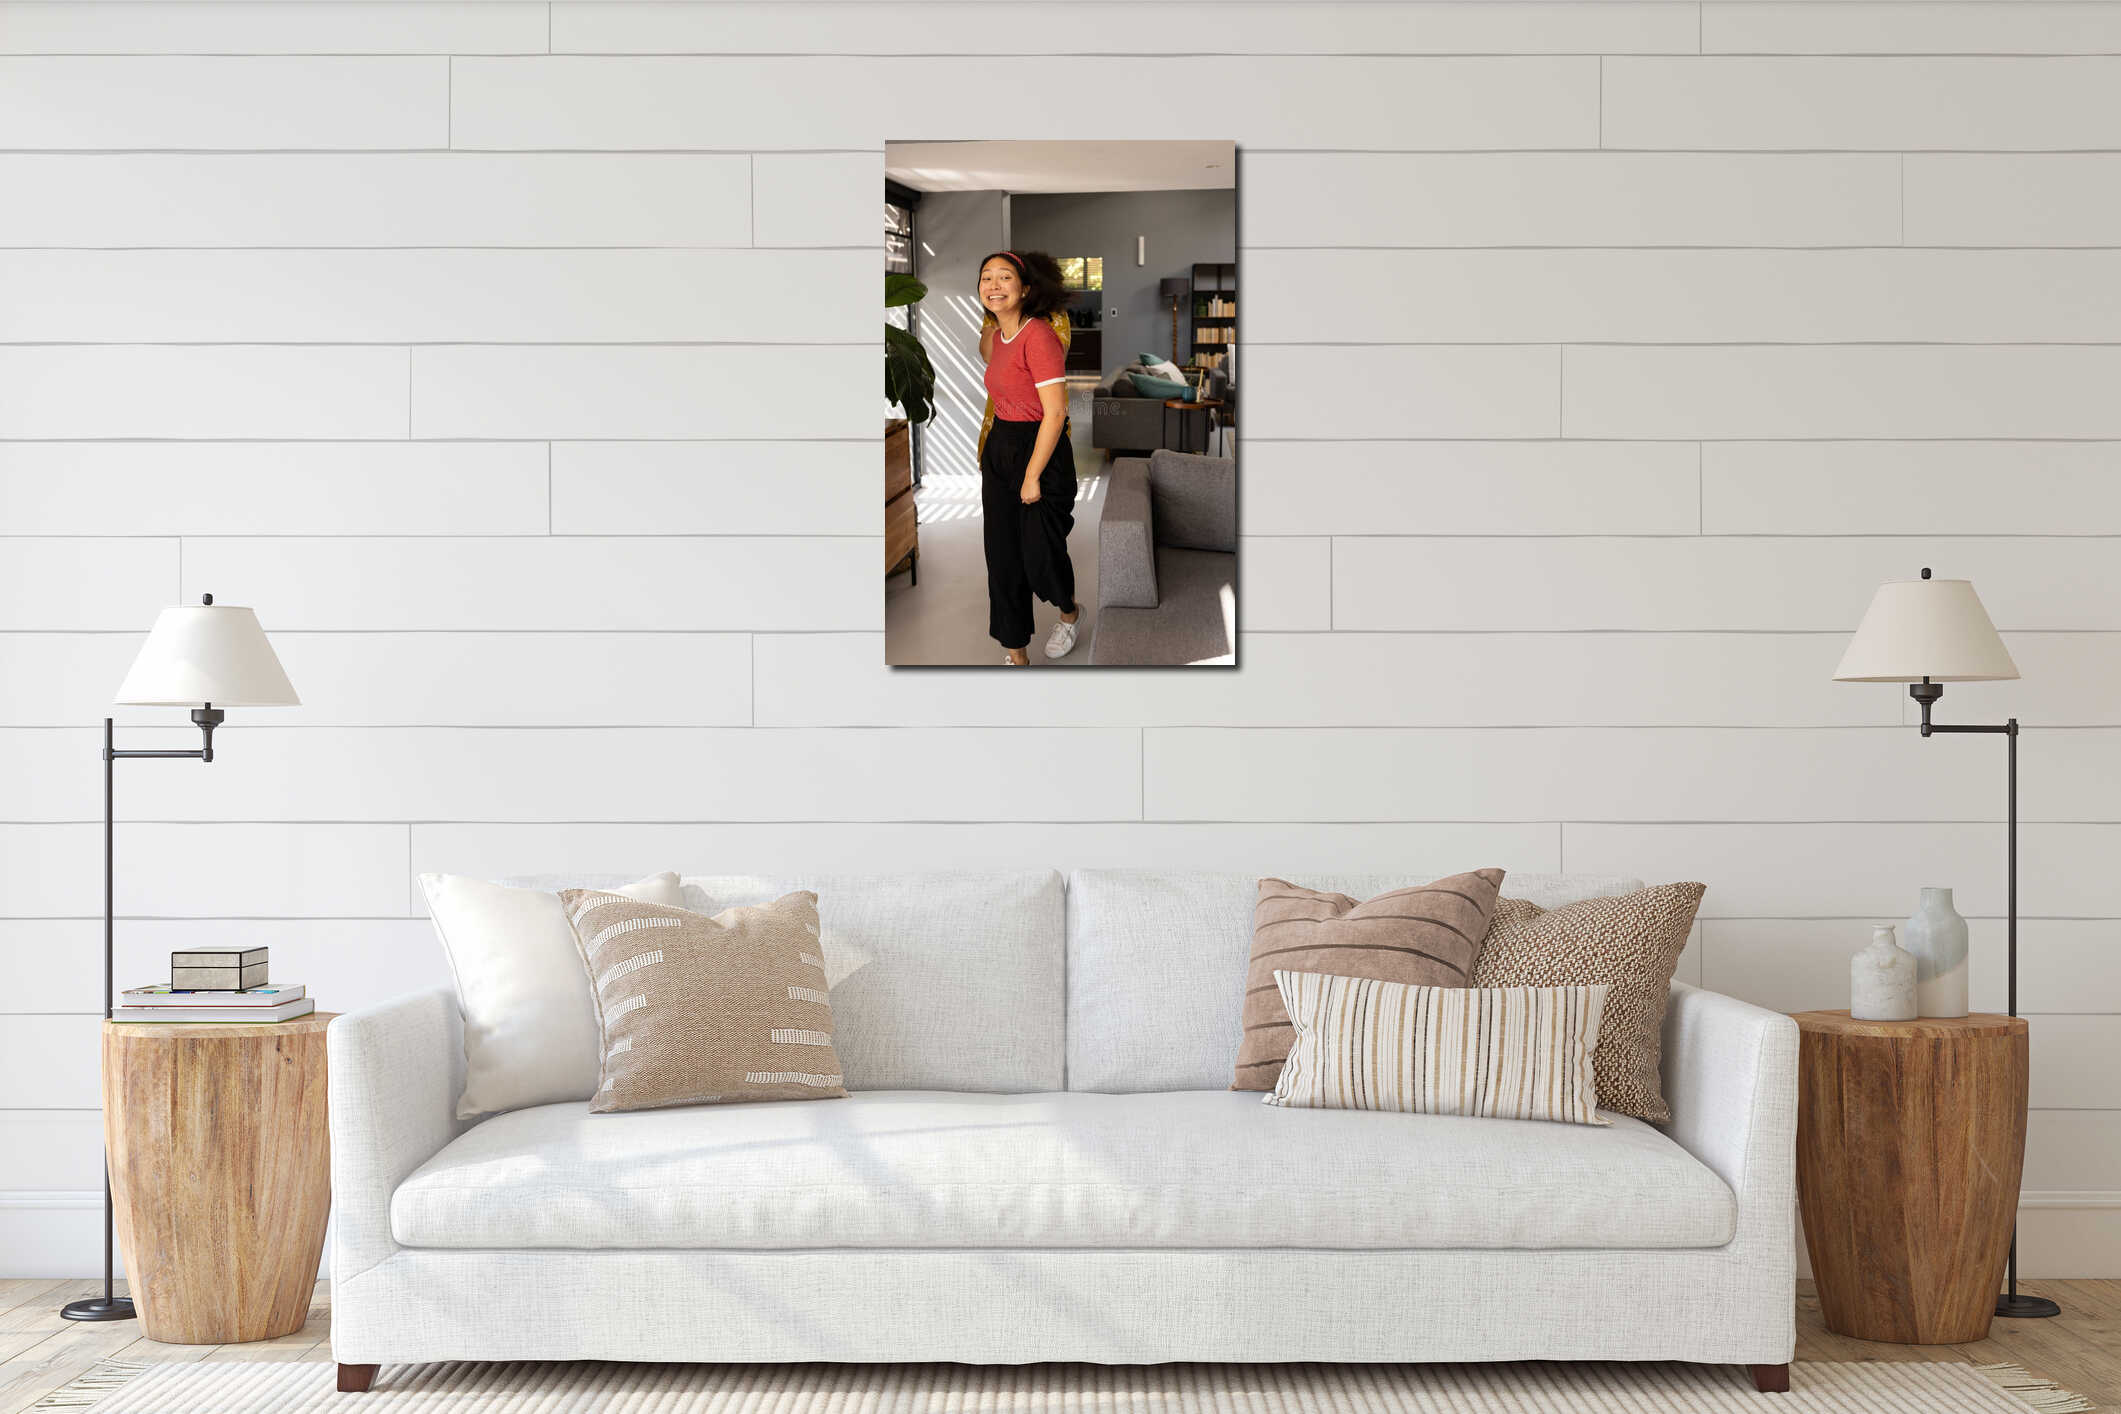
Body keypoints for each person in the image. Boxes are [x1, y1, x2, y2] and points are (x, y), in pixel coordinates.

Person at [976, 250, 1081, 666]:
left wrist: (1032, 475)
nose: (994, 285)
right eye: (986, 278)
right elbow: (989, 357)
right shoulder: (999, 335)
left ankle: (1070, 614)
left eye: (1005, 278)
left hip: (1042, 449)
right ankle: (1015, 652)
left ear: (1027, 289)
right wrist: (993, 316)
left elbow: (1055, 412)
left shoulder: (1039, 335)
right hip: (1000, 445)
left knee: (1040, 555)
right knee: (1001, 557)